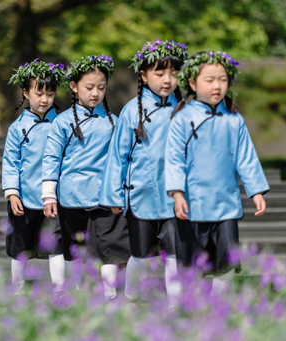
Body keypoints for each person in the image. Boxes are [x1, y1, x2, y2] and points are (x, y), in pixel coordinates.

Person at [165, 51, 269, 293]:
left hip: (226, 206)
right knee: (193, 265)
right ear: (192, 83)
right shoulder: (182, 119)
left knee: (227, 263)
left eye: (222, 80)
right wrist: (177, 194)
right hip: (193, 206)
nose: (217, 86)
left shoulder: (234, 120)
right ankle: (192, 307)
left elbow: (246, 157)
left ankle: (219, 305)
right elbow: (174, 159)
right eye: (209, 80)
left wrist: (256, 192)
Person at [99, 40, 189, 303]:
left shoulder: (186, 109)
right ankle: (130, 296)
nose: (167, 80)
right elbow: (118, 156)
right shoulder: (131, 111)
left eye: (173, 74)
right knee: (139, 253)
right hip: (142, 196)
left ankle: (175, 303)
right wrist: (113, 196)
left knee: (174, 252)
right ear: (143, 75)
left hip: (176, 197)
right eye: (160, 74)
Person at [42, 55, 130, 300]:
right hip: (71, 198)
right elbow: (51, 158)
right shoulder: (62, 122)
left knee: (109, 246)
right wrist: (48, 195)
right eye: (89, 87)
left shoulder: (114, 121)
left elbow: (123, 157)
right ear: (73, 87)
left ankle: (110, 293)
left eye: (101, 87)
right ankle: (75, 292)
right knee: (75, 248)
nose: (95, 93)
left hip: (105, 197)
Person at [3, 60, 66, 294]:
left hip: (54, 198)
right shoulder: (16, 127)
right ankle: (17, 288)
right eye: (38, 93)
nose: (44, 99)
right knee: (19, 245)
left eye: (50, 94)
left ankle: (59, 289)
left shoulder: (62, 123)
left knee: (57, 243)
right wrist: (12, 193)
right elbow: (10, 162)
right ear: (25, 93)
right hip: (25, 197)